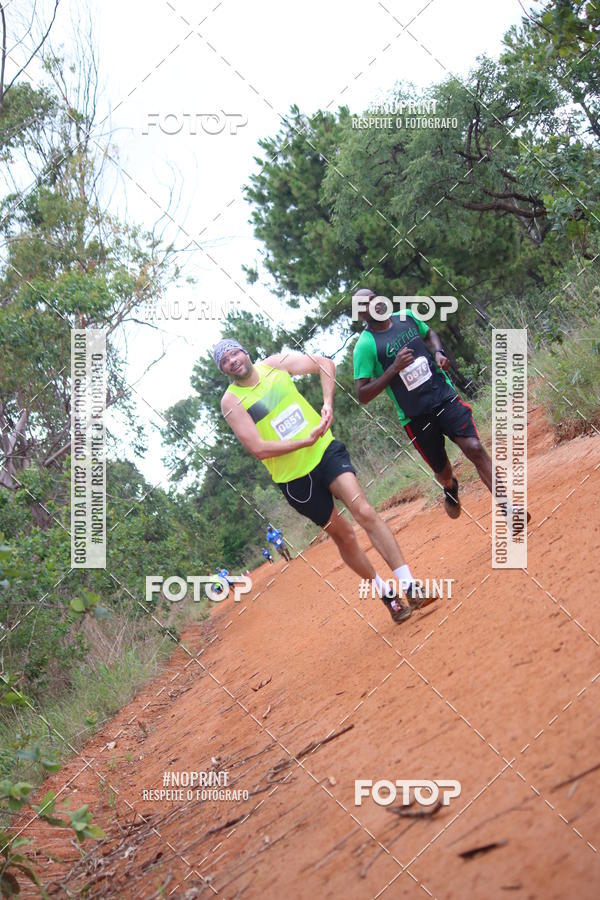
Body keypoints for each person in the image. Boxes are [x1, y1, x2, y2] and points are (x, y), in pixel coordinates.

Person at [214, 337, 434, 624]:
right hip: (294, 479)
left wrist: (327, 404)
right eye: (225, 361)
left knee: (364, 511)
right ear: (225, 370)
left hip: (324, 450)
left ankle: (410, 585)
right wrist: (302, 441)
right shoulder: (230, 402)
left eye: (234, 353)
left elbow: (324, 363)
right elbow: (258, 448)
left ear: (245, 352)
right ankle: (387, 595)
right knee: (344, 535)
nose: (233, 360)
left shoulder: (274, 365)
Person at [353, 288, 518, 520]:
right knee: (443, 471)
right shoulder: (366, 346)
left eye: (373, 299)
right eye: (364, 306)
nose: (373, 305)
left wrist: (438, 353)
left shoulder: (407, 317)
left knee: (474, 448)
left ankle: (508, 507)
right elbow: (362, 394)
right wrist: (393, 368)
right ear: (361, 315)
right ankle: (450, 488)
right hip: (416, 417)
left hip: (443, 396)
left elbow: (429, 333)